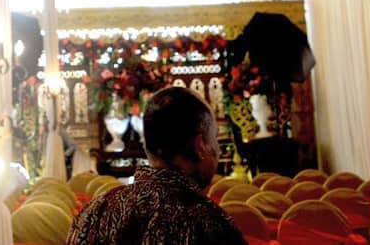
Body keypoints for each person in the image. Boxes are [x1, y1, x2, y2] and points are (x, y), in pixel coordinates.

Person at [67, 87, 247, 245]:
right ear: (200, 146)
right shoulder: (210, 223)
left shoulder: (96, 211)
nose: (218, 149)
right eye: (214, 138)